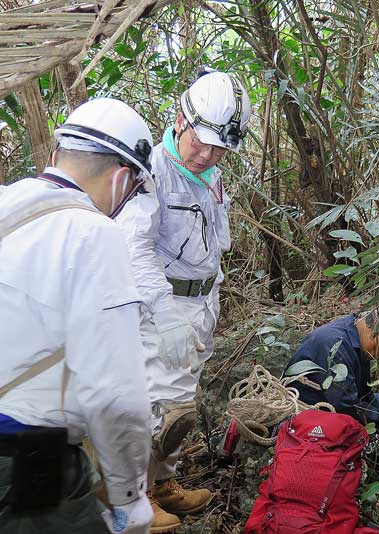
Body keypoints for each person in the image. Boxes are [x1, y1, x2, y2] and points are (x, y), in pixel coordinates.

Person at [0, 98, 155, 534]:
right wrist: (129, 496)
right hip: (23, 470)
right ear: (123, 178)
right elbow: (116, 395)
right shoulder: (93, 233)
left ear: (55, 155)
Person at [116, 68, 251, 529]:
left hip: (200, 305)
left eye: (219, 148)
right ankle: (133, 500)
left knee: (182, 404)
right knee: (157, 407)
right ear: (180, 119)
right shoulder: (152, 172)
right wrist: (164, 313)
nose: (208, 154)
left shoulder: (209, 174)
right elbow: (135, 248)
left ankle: (163, 485)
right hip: (161, 307)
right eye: (201, 142)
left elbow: (210, 242)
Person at [282, 306, 379, 441]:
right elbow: (344, 405)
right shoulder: (334, 345)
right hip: (311, 408)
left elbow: (363, 395)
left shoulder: (356, 335)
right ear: (378, 335)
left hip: (336, 400)